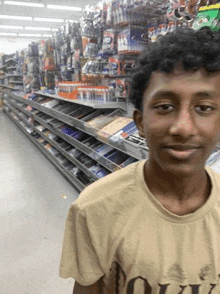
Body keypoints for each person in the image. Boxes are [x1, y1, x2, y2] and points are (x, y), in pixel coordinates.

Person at [59, 26, 220, 294]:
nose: (183, 127)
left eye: (204, 108)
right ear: (140, 122)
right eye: (164, 107)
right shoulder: (94, 210)